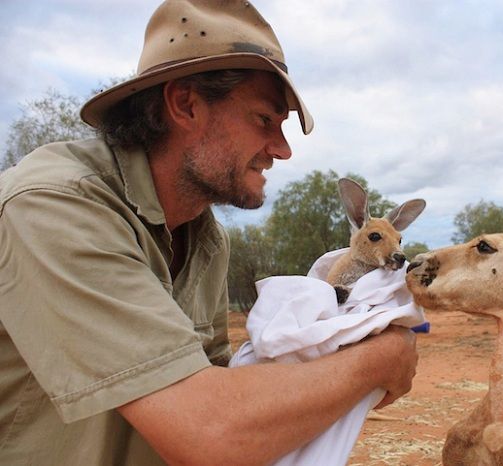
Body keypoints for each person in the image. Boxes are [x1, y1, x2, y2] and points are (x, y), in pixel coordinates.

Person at [0, 1, 419, 464]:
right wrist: (379, 362)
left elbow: (217, 380)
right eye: (264, 119)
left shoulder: (206, 236)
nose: (281, 150)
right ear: (185, 104)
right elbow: (209, 432)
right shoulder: (55, 206)